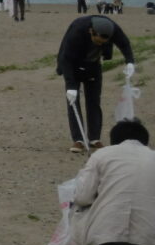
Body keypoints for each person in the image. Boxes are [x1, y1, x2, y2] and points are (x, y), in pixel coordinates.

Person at [73, 119, 155, 245]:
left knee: (86, 206)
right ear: (145, 141)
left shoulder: (101, 155)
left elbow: (82, 198)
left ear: (114, 140)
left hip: (104, 244)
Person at [57, 15, 134, 153]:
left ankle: (94, 138)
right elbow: (65, 59)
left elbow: (124, 44)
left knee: (94, 101)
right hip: (73, 65)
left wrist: (130, 62)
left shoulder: (113, 30)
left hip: (93, 65)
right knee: (73, 102)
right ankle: (78, 140)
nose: (99, 44)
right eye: (97, 41)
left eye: (103, 43)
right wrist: (70, 87)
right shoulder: (77, 31)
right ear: (91, 31)